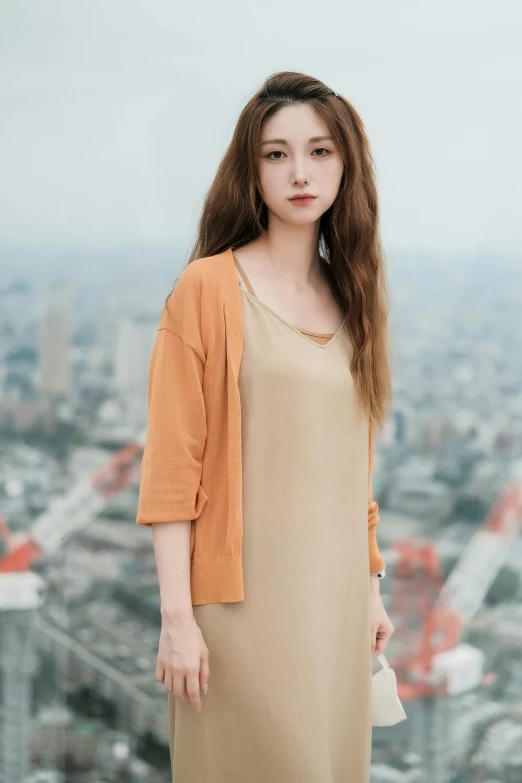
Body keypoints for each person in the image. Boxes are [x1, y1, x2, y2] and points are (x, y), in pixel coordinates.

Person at [136, 70, 395, 782]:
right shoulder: (208, 289)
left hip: (335, 603)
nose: (300, 172)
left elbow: (352, 468)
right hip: (239, 607)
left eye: (320, 151)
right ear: (250, 171)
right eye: (276, 154)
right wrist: (177, 619)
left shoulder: (356, 295)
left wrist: (372, 585)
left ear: (347, 164)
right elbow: (170, 472)